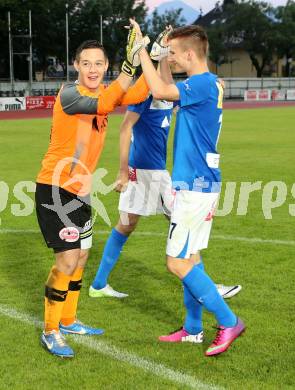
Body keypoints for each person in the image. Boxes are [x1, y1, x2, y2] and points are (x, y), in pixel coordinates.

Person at [89, 29, 241, 304]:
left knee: (128, 225)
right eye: (165, 53)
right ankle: (206, 286)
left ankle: (99, 284)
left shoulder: (175, 90)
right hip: (148, 173)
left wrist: (158, 57)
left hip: (157, 172)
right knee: (179, 225)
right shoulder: (148, 92)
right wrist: (123, 171)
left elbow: (167, 83)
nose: (169, 59)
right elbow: (125, 129)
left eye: (170, 54)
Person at [129, 20, 245, 356]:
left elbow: (161, 91)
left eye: (176, 54)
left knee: (176, 263)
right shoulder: (205, 83)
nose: (173, 59)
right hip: (196, 183)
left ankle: (228, 321)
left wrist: (141, 51)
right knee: (191, 257)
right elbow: (167, 85)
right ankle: (193, 329)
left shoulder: (204, 83)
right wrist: (163, 54)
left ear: (191, 53)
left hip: (195, 186)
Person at [35, 28, 150, 358]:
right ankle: (51, 330)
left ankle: (69, 319)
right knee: (67, 260)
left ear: (105, 66)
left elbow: (139, 93)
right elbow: (105, 101)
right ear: (75, 65)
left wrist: (152, 57)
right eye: (86, 63)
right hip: (56, 189)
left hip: (80, 192)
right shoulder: (69, 94)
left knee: (82, 256)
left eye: (99, 63)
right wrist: (128, 69)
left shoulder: (105, 90)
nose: (92, 68)